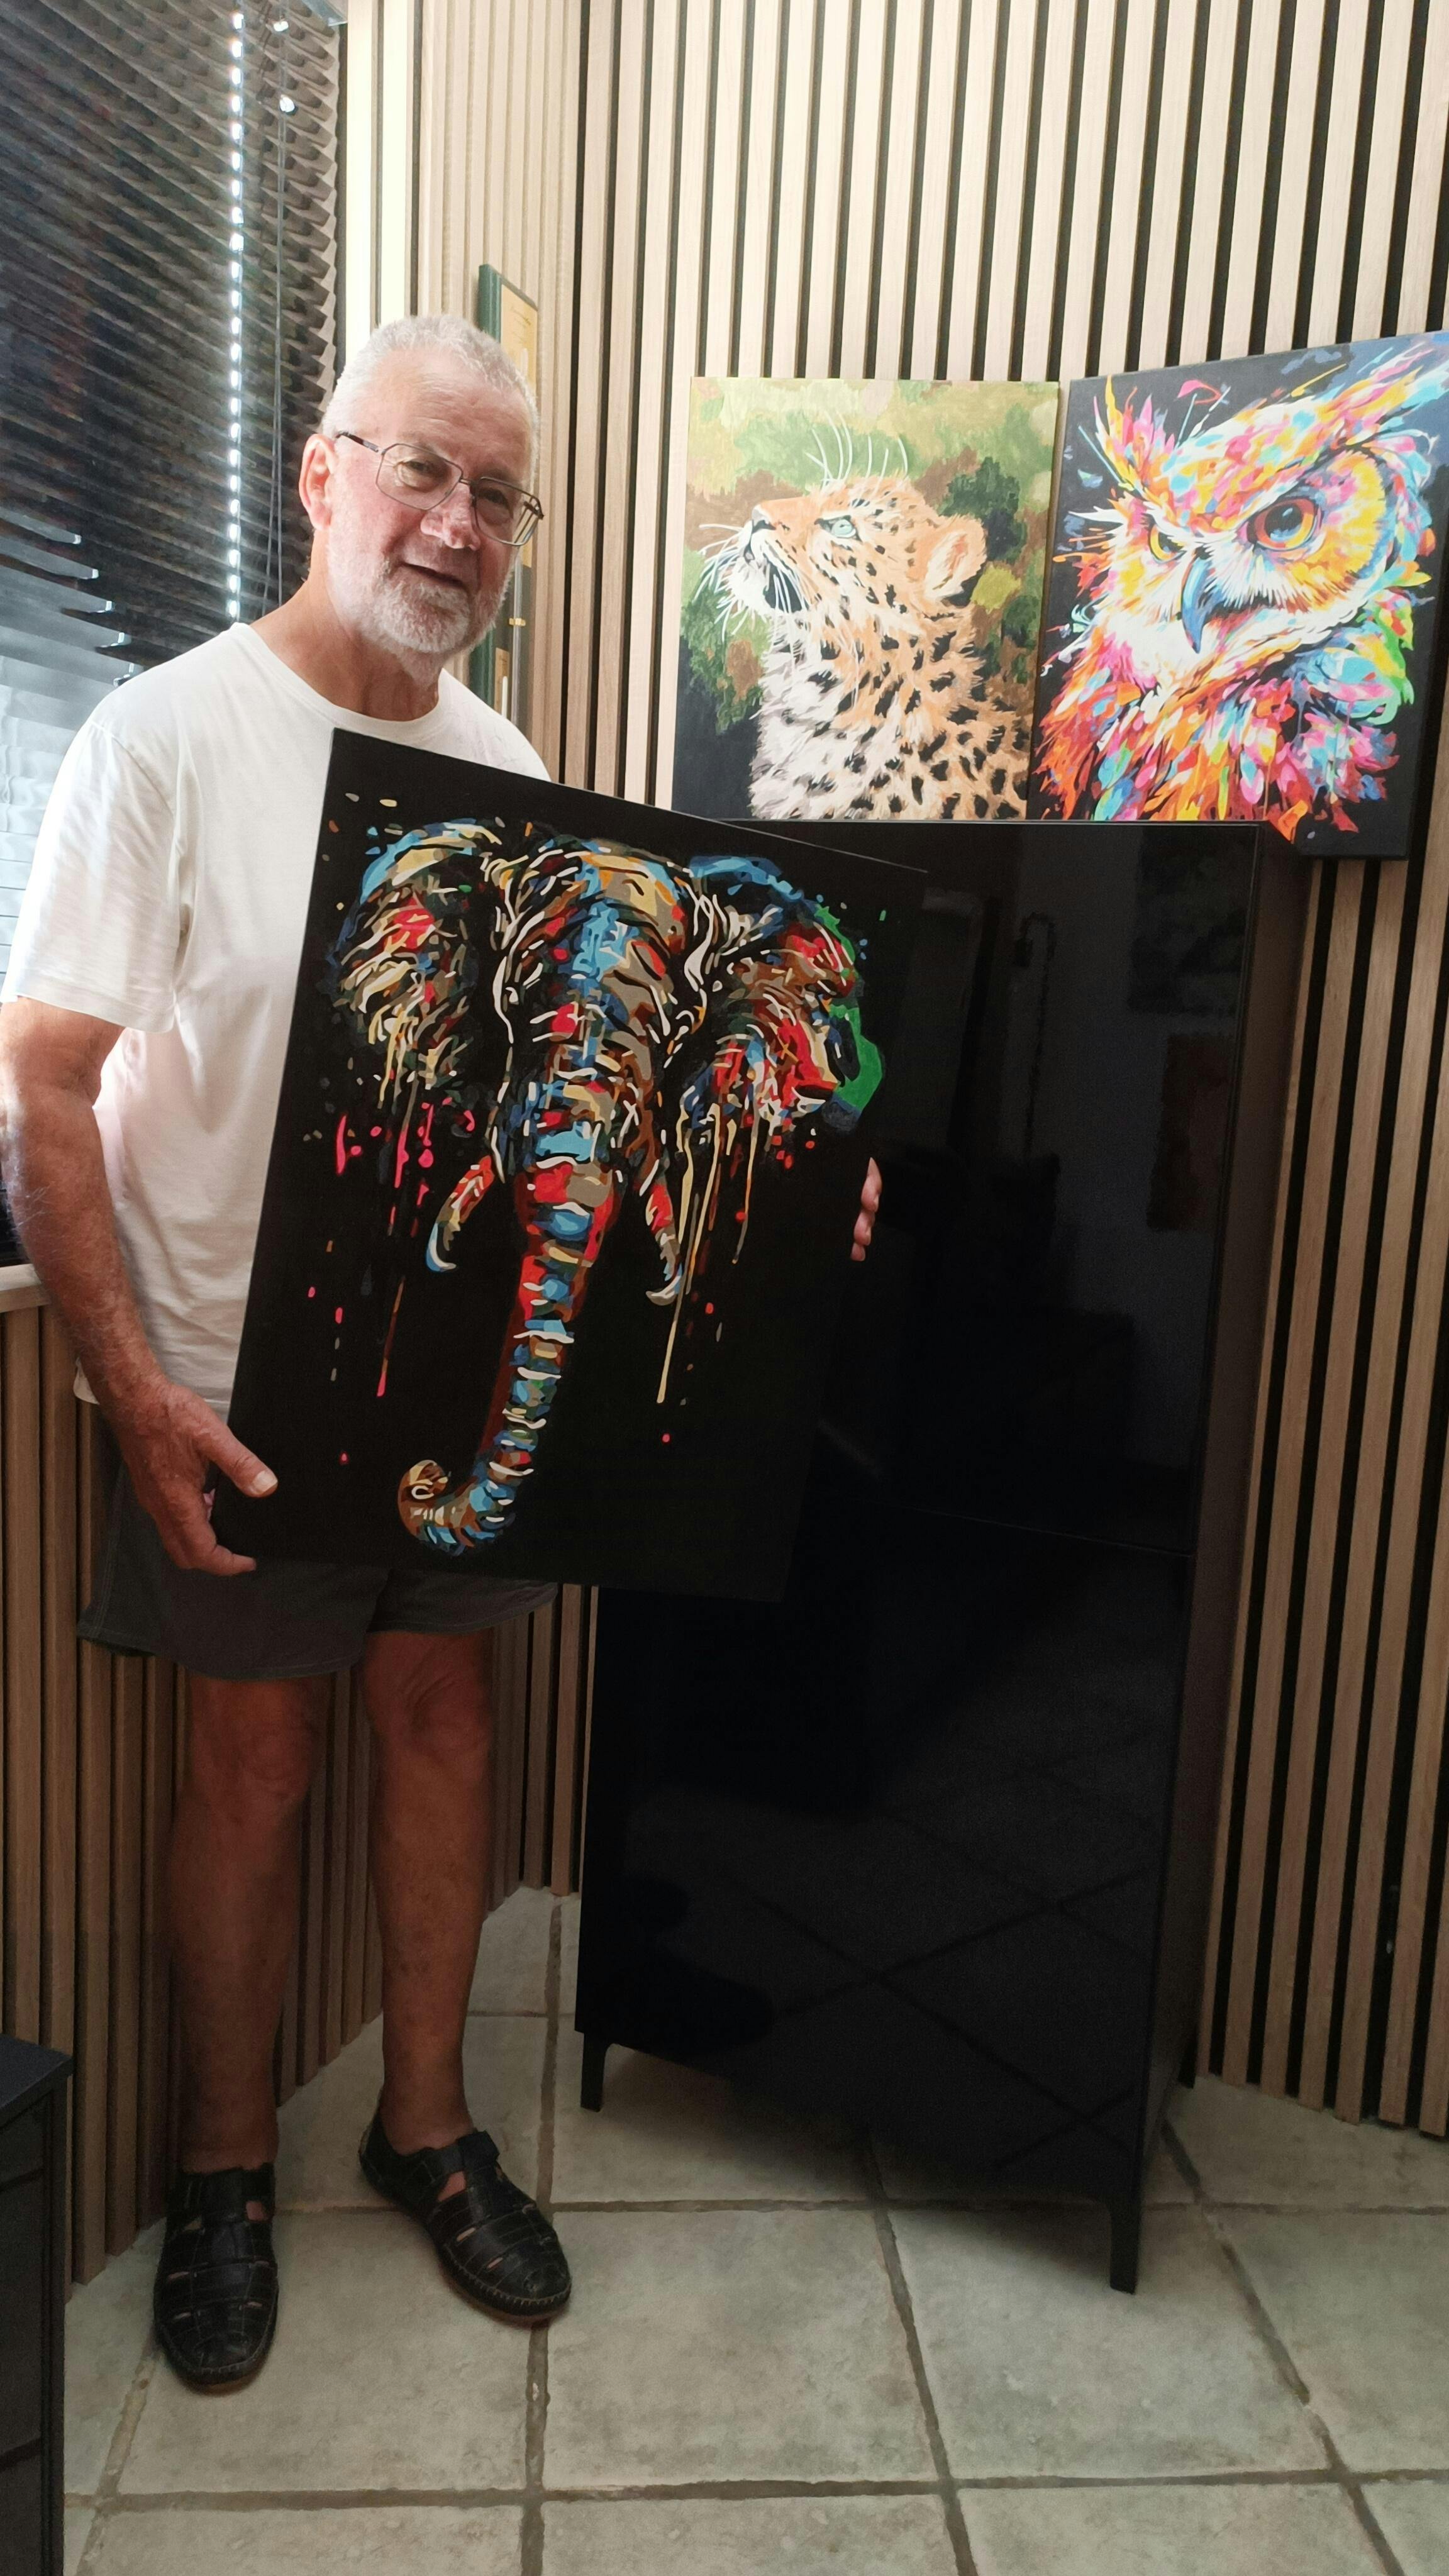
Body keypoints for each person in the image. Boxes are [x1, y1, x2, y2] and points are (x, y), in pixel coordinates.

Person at [0, 313, 880, 2392]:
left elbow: (575, 1105)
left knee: (446, 1728)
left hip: (467, 1379)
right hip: (231, 1389)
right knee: (250, 1766)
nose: (457, 524)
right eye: (422, 470)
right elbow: (41, 1089)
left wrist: (791, 1192)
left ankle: (425, 2127)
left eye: (498, 494)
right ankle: (223, 2171)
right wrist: (134, 1390)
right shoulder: (160, 739)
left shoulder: (506, 774)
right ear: (323, 473)